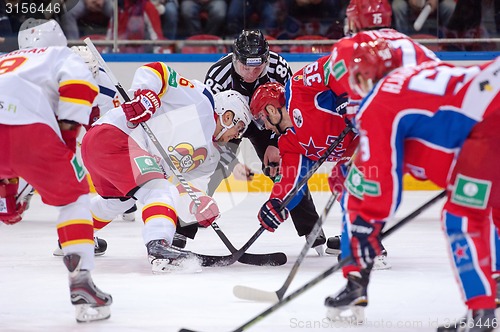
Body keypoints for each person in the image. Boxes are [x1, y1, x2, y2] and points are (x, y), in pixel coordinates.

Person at [324, 39, 500, 328]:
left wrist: (366, 228)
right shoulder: (420, 76)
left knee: (464, 217)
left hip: (490, 125)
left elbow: (380, 184)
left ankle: (482, 316)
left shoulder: (380, 100)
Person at [80, 61, 252, 273]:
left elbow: (188, 189)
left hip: (103, 149)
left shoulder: (209, 155)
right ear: (228, 116)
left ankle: (75, 233)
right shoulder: (202, 101)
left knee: (119, 202)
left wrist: (199, 205)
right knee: (159, 190)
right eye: (240, 127)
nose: (237, 135)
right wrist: (146, 96)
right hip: (115, 135)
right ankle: (159, 247)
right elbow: (156, 70)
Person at [0, 18, 112, 322]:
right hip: (31, 133)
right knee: (74, 199)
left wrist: (7, 195)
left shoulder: (4, 60)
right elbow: (77, 88)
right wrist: (66, 141)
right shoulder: (61, 56)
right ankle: (81, 279)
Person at [324, 0, 440, 266]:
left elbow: (361, 108)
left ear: (353, 20)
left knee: (347, 181)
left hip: (392, 135)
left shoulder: (348, 47)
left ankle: (356, 252)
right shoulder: (416, 47)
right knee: (475, 205)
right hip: (438, 138)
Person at [200, 29, 327, 254]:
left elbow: (289, 110)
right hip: (231, 123)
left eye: (257, 68)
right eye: (245, 67)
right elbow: (211, 119)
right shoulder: (218, 75)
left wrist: (276, 142)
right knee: (215, 169)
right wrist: (217, 151)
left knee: (286, 169)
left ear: (266, 61)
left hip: (268, 121)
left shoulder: (279, 67)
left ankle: (312, 231)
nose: (250, 73)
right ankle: (183, 230)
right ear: (235, 59)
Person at [248, 69, 356, 247]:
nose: (265, 127)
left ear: (271, 109)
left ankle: (364, 242)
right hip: (357, 147)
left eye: (262, 119)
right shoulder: (289, 142)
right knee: (341, 178)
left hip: (373, 126)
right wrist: (277, 203)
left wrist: (347, 97)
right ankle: (358, 234)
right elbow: (291, 180)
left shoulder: (297, 88)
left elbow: (332, 65)